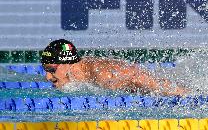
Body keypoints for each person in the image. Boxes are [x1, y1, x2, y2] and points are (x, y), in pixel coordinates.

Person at [41, 39, 188, 96]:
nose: (47, 77)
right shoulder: (78, 75)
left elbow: (142, 79)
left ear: (68, 63)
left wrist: (184, 94)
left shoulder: (102, 75)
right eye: (45, 69)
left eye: (51, 70)